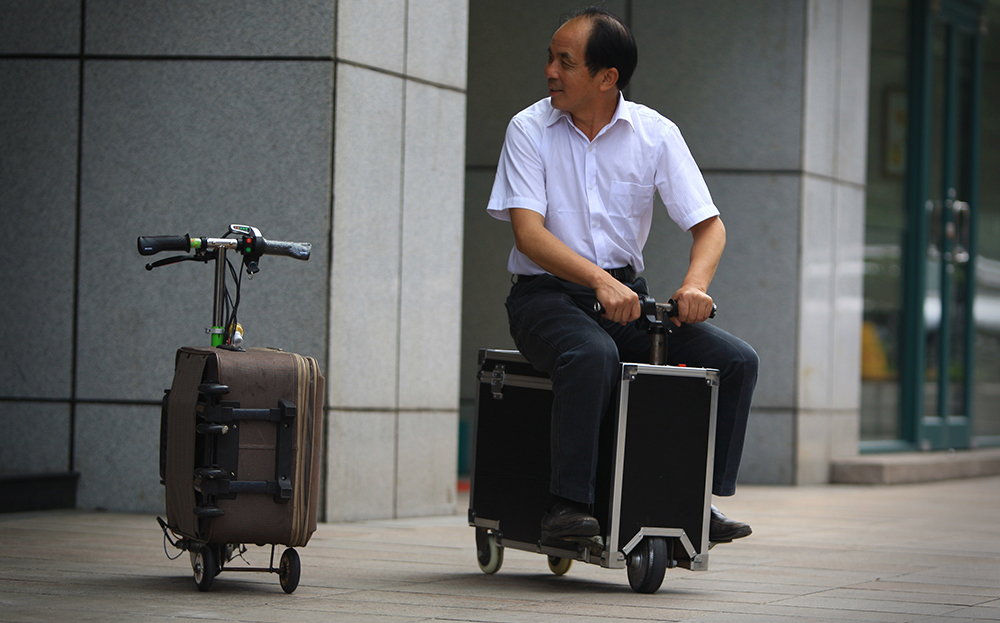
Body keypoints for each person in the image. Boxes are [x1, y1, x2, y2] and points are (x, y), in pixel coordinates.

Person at [486, 7, 759, 545]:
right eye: (550, 58)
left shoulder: (655, 134)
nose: (549, 71)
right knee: (592, 355)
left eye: (565, 61)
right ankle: (566, 508)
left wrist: (694, 286)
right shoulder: (528, 127)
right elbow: (530, 236)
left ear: (607, 77)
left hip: (625, 301)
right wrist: (598, 281)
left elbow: (710, 227)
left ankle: (694, 496)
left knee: (734, 360)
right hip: (544, 299)